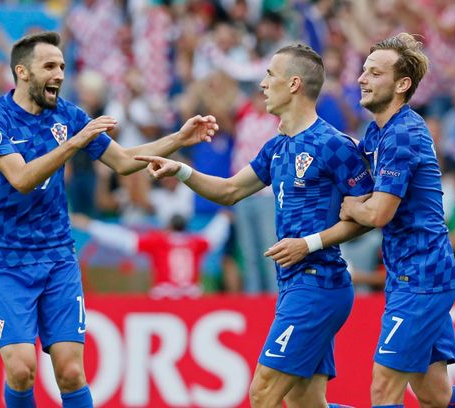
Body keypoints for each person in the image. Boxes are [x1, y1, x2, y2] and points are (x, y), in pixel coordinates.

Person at [0, 31, 217, 408]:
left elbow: (121, 161)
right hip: (6, 260)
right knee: (21, 368)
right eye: (49, 66)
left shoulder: (68, 115)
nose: (59, 74)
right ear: (22, 71)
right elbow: (20, 179)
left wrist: (178, 139)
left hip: (57, 257)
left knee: (70, 372)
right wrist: (73, 142)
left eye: (63, 67)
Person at [136, 43, 373, 408]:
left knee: (262, 393)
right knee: (304, 403)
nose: (262, 84)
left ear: (293, 84)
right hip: (295, 284)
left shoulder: (334, 145)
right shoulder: (277, 147)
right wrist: (181, 170)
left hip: (319, 284)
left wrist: (308, 244)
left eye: (269, 76)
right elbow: (230, 190)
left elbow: (368, 216)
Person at [338, 33, 455, 408]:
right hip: (410, 274)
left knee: (384, 386)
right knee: (436, 396)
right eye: (363, 70)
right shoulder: (378, 132)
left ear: (402, 84)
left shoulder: (404, 133)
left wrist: (350, 207)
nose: (362, 78)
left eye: (374, 72)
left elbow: (378, 212)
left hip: (423, 276)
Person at [71, 211, 231, 299]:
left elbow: (124, 240)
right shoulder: (196, 242)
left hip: (164, 297)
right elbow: (214, 235)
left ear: (168, 227)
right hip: (190, 297)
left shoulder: (160, 241)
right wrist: (223, 217)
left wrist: (91, 225)